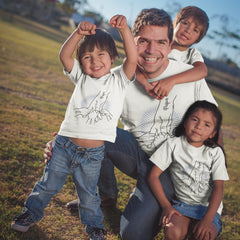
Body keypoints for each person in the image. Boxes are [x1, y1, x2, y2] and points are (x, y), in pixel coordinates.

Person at [44, 8, 221, 240]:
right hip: (138, 156)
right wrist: (61, 141)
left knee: (133, 235)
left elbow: (211, 134)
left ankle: (157, 208)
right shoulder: (114, 79)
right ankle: (105, 194)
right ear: (130, 41)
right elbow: (87, 118)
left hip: (169, 171)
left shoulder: (191, 77)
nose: (151, 50)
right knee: (100, 136)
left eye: (160, 42)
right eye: (143, 41)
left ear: (170, 45)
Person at [11, 14, 137, 240]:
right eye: (87, 57)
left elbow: (133, 59)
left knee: (89, 195)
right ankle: (30, 213)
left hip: (92, 154)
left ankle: (94, 227)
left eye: (101, 55)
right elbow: (64, 55)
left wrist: (125, 30)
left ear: (113, 58)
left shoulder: (119, 80)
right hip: (64, 145)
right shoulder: (81, 77)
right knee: (48, 184)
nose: (94, 61)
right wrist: (78, 33)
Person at [148, 100, 229, 240]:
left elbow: (218, 188)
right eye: (195, 119)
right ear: (185, 122)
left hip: (207, 209)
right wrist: (166, 206)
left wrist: (207, 220)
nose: (198, 126)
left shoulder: (215, 153)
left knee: (204, 235)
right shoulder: (173, 144)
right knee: (173, 231)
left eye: (207, 124)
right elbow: (153, 176)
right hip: (182, 205)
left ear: (212, 133)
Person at [136, 6, 209, 100]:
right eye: (185, 23)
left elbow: (202, 71)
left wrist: (171, 81)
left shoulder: (191, 53)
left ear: (198, 39)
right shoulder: (158, 45)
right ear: (175, 23)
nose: (188, 31)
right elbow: (134, 64)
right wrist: (145, 84)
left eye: (195, 30)